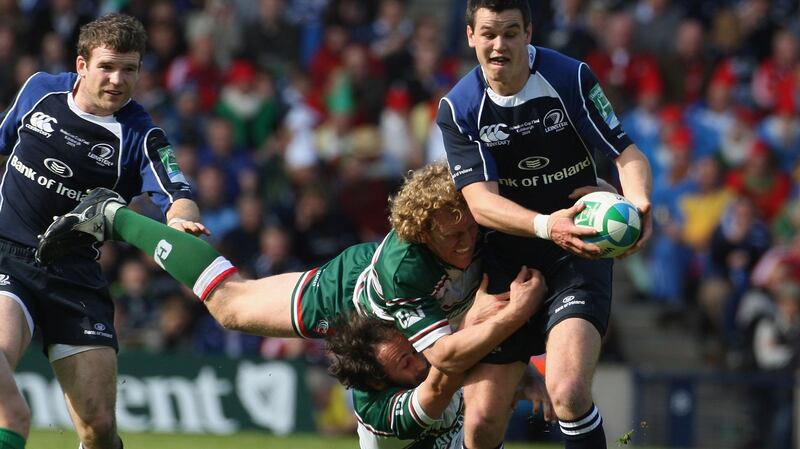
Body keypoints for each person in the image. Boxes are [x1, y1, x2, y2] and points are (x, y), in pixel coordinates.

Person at [38, 162, 560, 385]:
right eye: (452, 236)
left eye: (469, 228)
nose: (466, 241)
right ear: (424, 234)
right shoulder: (407, 267)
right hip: (346, 299)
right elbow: (445, 354)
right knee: (230, 306)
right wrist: (517, 316)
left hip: (394, 310)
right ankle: (115, 217)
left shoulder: (477, 227)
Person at [435, 2, 653, 448]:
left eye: (511, 32)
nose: (499, 45)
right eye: (489, 33)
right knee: (481, 423)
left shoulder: (570, 77)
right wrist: (546, 225)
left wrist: (639, 204)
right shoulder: (459, 108)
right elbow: (481, 203)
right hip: (507, 261)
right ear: (471, 36)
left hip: (579, 249)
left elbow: (626, 153)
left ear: (529, 32)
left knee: (568, 392)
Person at [0, 13, 207, 449]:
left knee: (97, 428)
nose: (117, 80)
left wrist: (178, 219)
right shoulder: (40, 90)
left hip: (74, 277)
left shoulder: (141, 135)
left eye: (129, 69)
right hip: (9, 257)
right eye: (107, 67)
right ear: (81, 65)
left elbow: (177, 192)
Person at [326, 280, 552, 449]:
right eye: (406, 363)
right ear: (378, 382)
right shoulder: (380, 415)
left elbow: (473, 347)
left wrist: (528, 374)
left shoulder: (428, 348)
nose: (420, 363)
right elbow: (438, 387)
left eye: (414, 349)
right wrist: (516, 311)